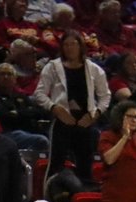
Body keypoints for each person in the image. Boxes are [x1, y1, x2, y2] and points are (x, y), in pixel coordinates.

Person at [33, 30, 110, 183]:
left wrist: (95, 114)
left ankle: (82, 194)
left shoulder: (94, 69)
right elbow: (39, 94)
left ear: (80, 46)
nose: (70, 48)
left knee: (85, 166)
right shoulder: (53, 67)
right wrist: (54, 108)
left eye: (73, 44)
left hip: (85, 121)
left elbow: (105, 96)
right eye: (66, 45)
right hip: (63, 120)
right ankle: (51, 193)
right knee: (56, 164)